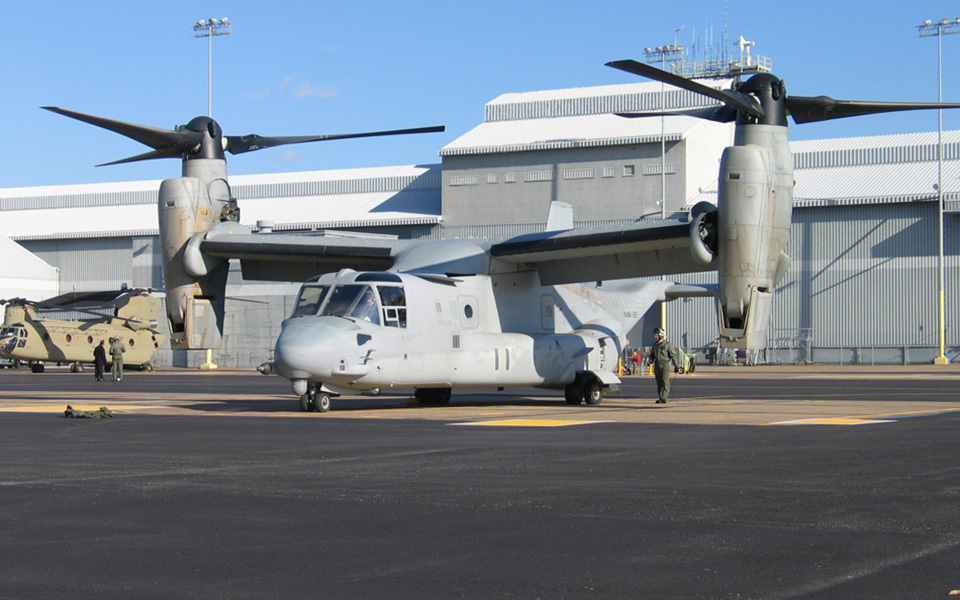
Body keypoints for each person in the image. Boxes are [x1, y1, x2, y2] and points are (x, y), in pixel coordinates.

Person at [650, 327, 681, 404]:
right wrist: (650, 360)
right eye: (654, 335)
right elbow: (652, 355)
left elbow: (673, 356)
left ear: (660, 335)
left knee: (665, 382)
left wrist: (676, 366)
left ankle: (664, 397)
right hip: (657, 365)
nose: (655, 337)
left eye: (656, 335)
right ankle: (661, 397)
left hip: (665, 365)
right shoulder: (654, 345)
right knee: (659, 382)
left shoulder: (667, 345)